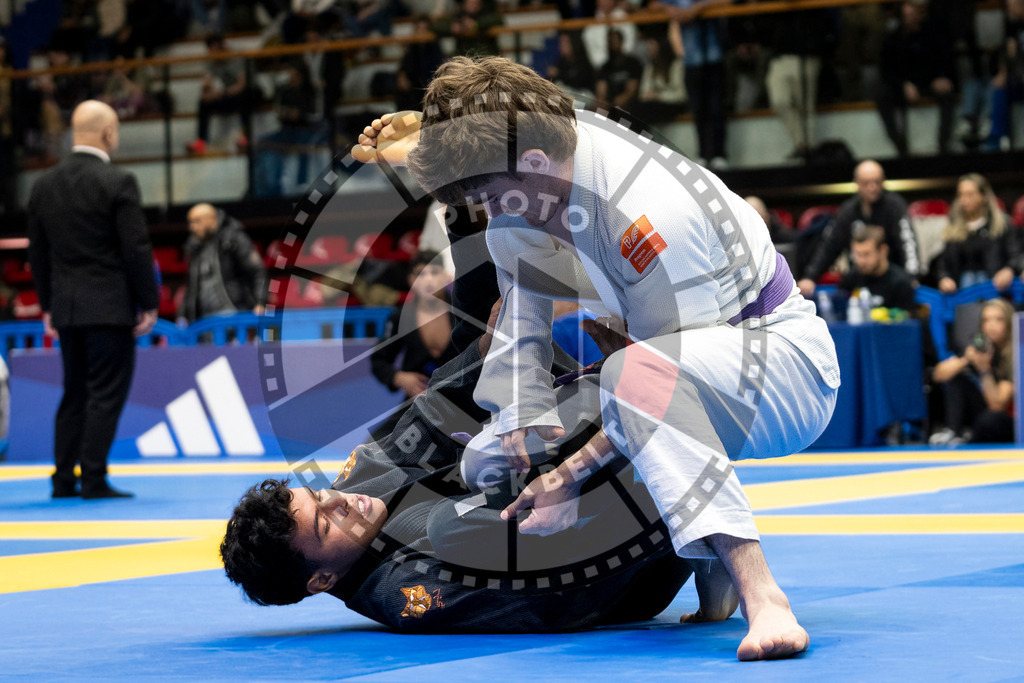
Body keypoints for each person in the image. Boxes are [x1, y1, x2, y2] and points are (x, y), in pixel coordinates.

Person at [353, 56, 839, 660]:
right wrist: (523, 432)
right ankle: (695, 554)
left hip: (776, 363)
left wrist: (567, 476)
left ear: (532, 165)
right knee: (486, 463)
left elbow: (660, 389)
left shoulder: (650, 209)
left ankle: (762, 593)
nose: (486, 210)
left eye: (487, 194)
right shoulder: (536, 161)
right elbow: (522, 332)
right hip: (668, 359)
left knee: (630, 376)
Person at [221, 318, 738, 630]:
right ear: (322, 580)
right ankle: (688, 522)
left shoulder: (363, 479)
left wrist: (501, 335)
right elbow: (556, 602)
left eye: (321, 496)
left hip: (593, 462)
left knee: (487, 378)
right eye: (325, 524)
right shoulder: (409, 592)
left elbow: (437, 403)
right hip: (625, 565)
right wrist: (658, 516)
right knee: (458, 515)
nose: (340, 501)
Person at [26, 100, 159, 499]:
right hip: (109, 307)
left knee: (74, 392)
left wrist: (47, 304)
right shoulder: (118, 181)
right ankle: (94, 477)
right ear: (108, 134)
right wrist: (149, 302)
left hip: (66, 308)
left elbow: (38, 252)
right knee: (104, 393)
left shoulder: (42, 184)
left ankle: (64, 478)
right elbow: (136, 249)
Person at [798, 160, 920, 297]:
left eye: (877, 182)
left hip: (891, 279)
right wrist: (810, 276)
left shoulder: (895, 206)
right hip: (858, 278)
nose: (872, 187)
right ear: (856, 183)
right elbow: (830, 245)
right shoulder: (848, 210)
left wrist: (912, 276)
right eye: (866, 183)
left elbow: (907, 242)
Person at [370, 250, 458, 405]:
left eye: (434, 272)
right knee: (384, 431)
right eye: (421, 274)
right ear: (411, 280)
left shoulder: (463, 311)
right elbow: (378, 361)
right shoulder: (400, 317)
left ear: (445, 276)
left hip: (462, 400)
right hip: (417, 403)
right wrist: (398, 377)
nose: (428, 280)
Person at [649, 0, 729, 167]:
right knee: (698, 109)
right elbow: (653, 5)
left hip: (714, 57)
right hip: (691, 60)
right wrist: (671, 9)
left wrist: (698, 8)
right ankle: (703, 153)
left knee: (716, 108)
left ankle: (720, 153)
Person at [930, 298, 1016, 445]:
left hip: (1008, 420)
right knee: (957, 378)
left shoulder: (1015, 354)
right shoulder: (979, 347)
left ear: (1008, 323)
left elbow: (997, 405)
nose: (991, 325)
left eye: (998, 320)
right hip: (981, 413)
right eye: (986, 320)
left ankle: (969, 440)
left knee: (990, 420)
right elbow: (937, 375)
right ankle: (953, 432)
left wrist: (985, 370)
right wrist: (966, 359)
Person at [876, 0, 957, 156]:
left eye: (913, 12)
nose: (910, 17)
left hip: (930, 83)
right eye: (906, 14)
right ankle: (899, 144)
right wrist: (903, 85)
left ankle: (943, 143)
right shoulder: (893, 38)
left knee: (948, 95)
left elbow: (946, 59)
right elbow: (886, 71)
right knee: (882, 96)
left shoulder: (934, 33)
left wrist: (942, 77)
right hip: (905, 87)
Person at [181, 203, 267, 322]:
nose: (192, 227)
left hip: (235, 313)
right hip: (203, 320)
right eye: (190, 222)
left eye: (197, 221)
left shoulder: (233, 239)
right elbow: (191, 285)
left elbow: (257, 272)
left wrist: (260, 302)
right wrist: (184, 314)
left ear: (211, 219)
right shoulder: (194, 246)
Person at [934, 173, 1016, 294]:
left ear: (984, 196)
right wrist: (944, 278)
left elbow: (1016, 255)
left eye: (970, 194)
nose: (964, 200)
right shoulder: (953, 227)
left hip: (996, 289)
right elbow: (944, 263)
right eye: (961, 195)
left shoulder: (1002, 224)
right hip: (962, 291)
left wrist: (1009, 270)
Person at [185, 33, 253, 155]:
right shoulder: (211, 61)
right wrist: (207, 90)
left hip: (242, 94)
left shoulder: (235, 57)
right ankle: (202, 141)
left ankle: (245, 137)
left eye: (216, 50)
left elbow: (242, 85)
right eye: (211, 51)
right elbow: (207, 84)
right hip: (225, 96)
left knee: (245, 97)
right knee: (203, 102)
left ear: (223, 47)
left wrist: (223, 93)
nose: (214, 55)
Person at [837, 224, 917, 312]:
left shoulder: (901, 284)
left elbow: (906, 322)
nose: (861, 261)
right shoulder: (851, 277)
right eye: (858, 254)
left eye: (866, 254)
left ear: (883, 251)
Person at [594, 29, 643, 112]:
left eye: (615, 40)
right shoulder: (605, 67)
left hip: (630, 105)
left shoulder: (632, 63)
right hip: (609, 106)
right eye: (610, 41)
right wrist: (605, 104)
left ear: (621, 41)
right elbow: (601, 92)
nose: (613, 44)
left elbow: (631, 91)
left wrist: (618, 102)